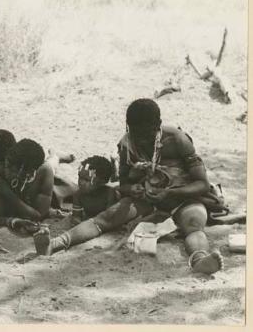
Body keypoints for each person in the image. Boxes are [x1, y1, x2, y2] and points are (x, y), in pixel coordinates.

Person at [34, 98, 224, 275]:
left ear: (157, 125)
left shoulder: (177, 139)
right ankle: (54, 244)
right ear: (128, 127)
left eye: (147, 134)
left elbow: (202, 184)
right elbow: (124, 184)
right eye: (136, 133)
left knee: (193, 223)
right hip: (147, 199)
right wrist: (132, 189)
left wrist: (170, 193)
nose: (141, 140)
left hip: (184, 198)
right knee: (107, 217)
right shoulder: (126, 144)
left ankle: (200, 259)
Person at [0, 138, 54, 234]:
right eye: (7, 164)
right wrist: (16, 222)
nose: (6, 171)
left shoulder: (45, 172)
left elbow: (39, 215)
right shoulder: (0, 173)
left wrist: (7, 193)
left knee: (54, 165)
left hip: (45, 173)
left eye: (11, 169)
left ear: (28, 172)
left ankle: (55, 155)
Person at [70, 155, 118, 225]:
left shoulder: (109, 194)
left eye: (86, 180)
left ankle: (115, 168)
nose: (81, 182)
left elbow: (109, 218)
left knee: (116, 183)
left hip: (101, 220)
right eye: (80, 177)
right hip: (92, 221)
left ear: (101, 182)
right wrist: (77, 222)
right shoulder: (78, 195)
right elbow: (76, 217)